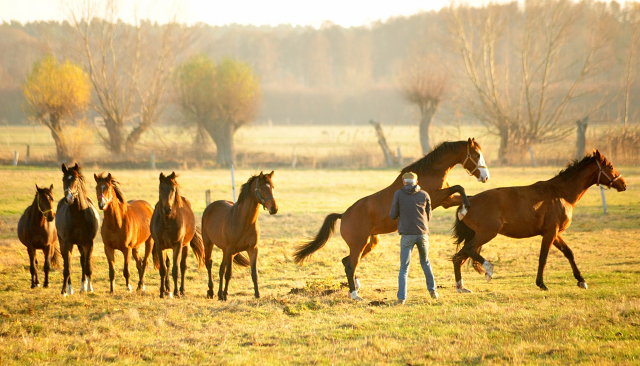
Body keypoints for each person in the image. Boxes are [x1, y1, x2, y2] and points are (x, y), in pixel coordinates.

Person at [389, 171, 438, 305]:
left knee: (404, 267)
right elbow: (429, 216)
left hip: (407, 235)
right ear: (416, 182)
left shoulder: (398, 194)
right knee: (426, 262)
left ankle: (402, 298)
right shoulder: (424, 195)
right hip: (422, 234)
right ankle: (433, 292)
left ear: (404, 182)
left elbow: (393, 215)